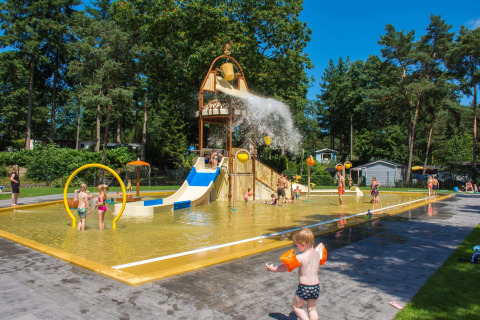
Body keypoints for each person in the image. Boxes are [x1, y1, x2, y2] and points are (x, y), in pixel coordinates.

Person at [265, 228, 320, 320]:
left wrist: (272, 269)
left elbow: (286, 267)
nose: (296, 247)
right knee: (312, 309)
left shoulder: (301, 257)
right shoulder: (317, 253)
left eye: (296, 245)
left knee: (297, 307)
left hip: (304, 288)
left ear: (303, 244)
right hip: (316, 287)